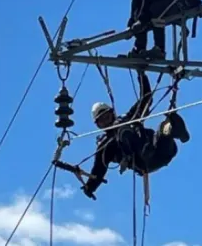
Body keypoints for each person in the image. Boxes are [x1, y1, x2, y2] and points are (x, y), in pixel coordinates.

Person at [81, 71, 190, 200]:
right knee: (123, 131)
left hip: (160, 151)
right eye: (102, 120)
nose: (106, 121)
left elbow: (146, 98)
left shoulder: (129, 118)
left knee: (162, 129)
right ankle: (158, 140)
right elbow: (99, 169)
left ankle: (175, 130)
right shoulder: (105, 145)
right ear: (98, 126)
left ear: (112, 113)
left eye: (107, 116)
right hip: (143, 161)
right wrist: (90, 187)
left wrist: (141, 75)